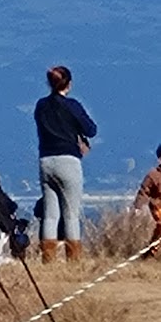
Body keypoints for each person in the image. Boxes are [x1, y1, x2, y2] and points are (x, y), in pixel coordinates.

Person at [33, 65, 97, 263]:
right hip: (68, 160)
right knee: (71, 214)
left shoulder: (41, 106)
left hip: (46, 160)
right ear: (68, 84)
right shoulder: (72, 106)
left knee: (50, 214)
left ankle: (48, 259)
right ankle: (73, 260)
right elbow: (91, 129)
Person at [131, 144, 161, 258]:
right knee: (159, 229)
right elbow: (144, 191)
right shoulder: (153, 175)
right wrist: (138, 206)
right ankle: (150, 254)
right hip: (157, 206)